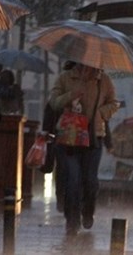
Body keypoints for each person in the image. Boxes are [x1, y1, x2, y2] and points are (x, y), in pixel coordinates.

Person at [49, 63, 118, 236]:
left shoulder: (104, 80)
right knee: (72, 179)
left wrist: (101, 113)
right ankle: (72, 219)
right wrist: (70, 96)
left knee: (90, 181)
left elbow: (113, 103)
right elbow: (54, 102)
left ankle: (88, 210)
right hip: (69, 138)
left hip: (94, 138)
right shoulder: (65, 78)